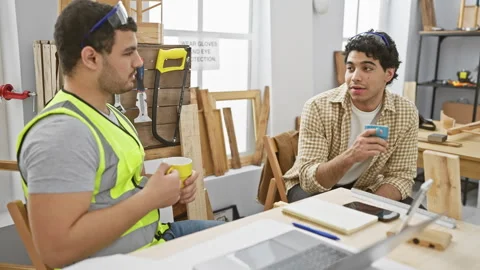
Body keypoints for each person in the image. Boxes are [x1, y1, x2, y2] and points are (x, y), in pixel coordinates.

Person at [16, 0, 222, 268]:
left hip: (154, 240)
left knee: (244, 241)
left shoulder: (109, 114)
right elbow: (57, 250)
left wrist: (164, 187)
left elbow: (113, 189)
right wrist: (151, 199)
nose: (139, 62)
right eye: (128, 53)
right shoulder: (62, 135)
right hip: (124, 261)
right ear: (91, 58)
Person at [283, 29, 419, 204]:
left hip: (366, 188)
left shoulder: (406, 112)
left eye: (367, 68)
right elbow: (309, 181)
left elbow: (400, 177)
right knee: (331, 218)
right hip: (314, 188)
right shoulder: (318, 107)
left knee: (417, 216)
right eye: (350, 68)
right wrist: (351, 156)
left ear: (389, 74)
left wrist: (368, 207)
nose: (355, 77)